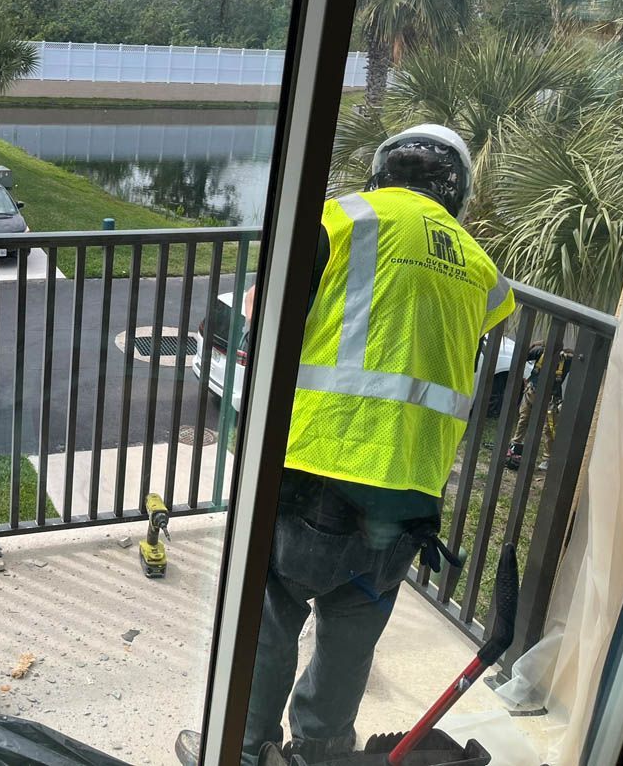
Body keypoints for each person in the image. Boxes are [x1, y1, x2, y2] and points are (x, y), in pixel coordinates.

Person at [175, 125, 515, 764]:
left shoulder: (337, 220)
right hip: (410, 491)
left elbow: (269, 324)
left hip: (317, 469)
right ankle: (321, 750)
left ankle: (244, 750)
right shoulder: (481, 267)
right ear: (457, 190)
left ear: (383, 173)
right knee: (354, 626)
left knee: (271, 613)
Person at [504, 343, 573, 471]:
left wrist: (569, 353)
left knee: (549, 428)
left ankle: (547, 458)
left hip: (551, 397)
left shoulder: (566, 359)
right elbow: (521, 355)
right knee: (523, 419)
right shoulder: (541, 352)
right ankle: (515, 446)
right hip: (533, 392)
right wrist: (534, 344)